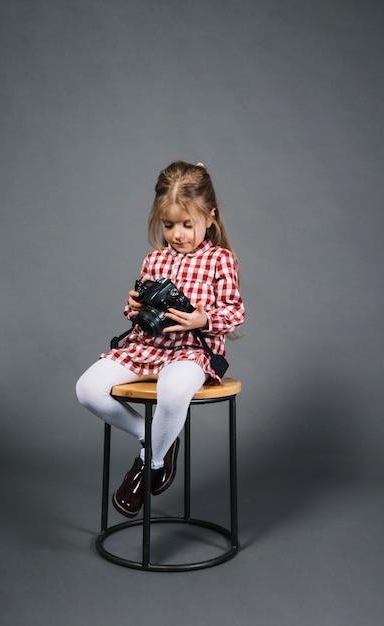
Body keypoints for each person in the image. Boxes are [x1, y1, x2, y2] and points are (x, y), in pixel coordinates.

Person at [76, 161, 245, 518]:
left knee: (173, 390)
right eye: (169, 225)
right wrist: (134, 305)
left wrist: (204, 319)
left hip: (191, 350)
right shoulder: (153, 260)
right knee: (87, 389)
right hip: (147, 346)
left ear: (210, 217)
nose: (178, 234)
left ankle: (147, 462)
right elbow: (136, 317)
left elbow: (235, 314)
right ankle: (157, 442)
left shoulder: (220, 260)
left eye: (188, 224)